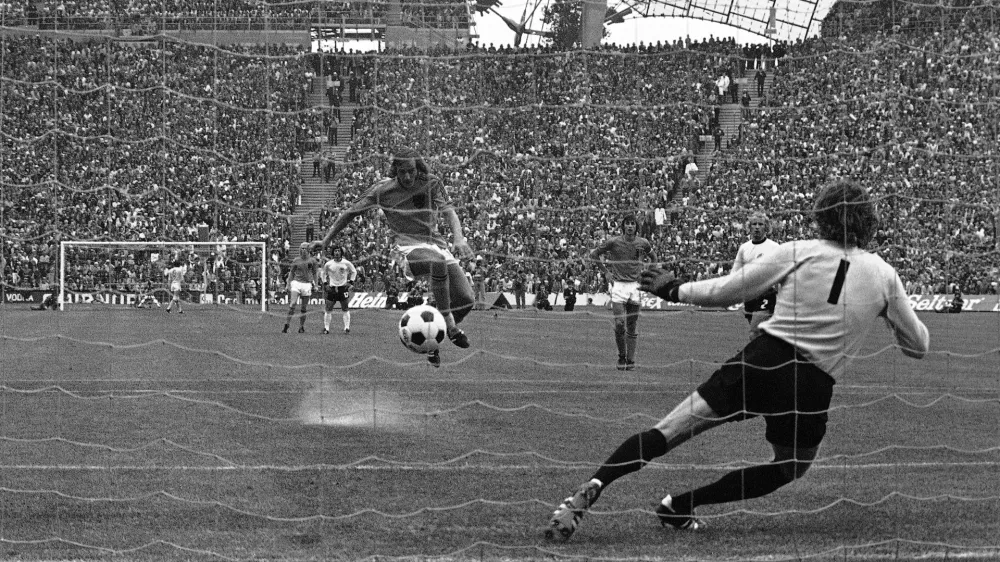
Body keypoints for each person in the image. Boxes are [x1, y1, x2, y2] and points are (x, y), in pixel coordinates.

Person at [545, 180, 929, 542]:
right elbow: (919, 346)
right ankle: (680, 505)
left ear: (821, 215)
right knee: (789, 467)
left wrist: (674, 288)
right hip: (811, 385)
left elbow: (729, 290)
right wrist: (887, 317)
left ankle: (592, 487)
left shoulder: (798, 250)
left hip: (763, 359)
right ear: (869, 222)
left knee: (669, 430)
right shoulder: (884, 275)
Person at [314, 148, 475, 367]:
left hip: (437, 245)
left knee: (466, 300)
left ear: (418, 167)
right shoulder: (383, 190)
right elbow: (351, 213)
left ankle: (432, 340)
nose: (407, 177)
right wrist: (325, 241)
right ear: (395, 171)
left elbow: (449, 212)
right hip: (406, 248)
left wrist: (459, 238)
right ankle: (452, 328)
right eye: (402, 172)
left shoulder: (431, 182)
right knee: (437, 265)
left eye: (411, 171)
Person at [590, 215, 655, 371]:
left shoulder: (643, 243)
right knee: (620, 323)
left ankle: (630, 361)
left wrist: (648, 274)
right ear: (623, 226)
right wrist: (606, 272)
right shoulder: (614, 242)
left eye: (633, 223)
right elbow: (594, 254)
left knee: (632, 325)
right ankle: (621, 357)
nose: (630, 226)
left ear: (636, 227)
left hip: (635, 287)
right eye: (627, 223)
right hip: (618, 286)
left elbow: (653, 257)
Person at [732, 212, 781, 340]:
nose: (757, 227)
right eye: (754, 224)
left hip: (766, 294)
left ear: (766, 227)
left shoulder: (774, 247)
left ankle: (755, 359)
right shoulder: (744, 248)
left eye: (760, 224)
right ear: (749, 227)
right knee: (762, 336)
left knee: (755, 332)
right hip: (749, 296)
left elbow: (782, 271)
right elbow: (735, 273)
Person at [282, 242, 319, 333]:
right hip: (296, 283)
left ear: (308, 249)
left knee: (304, 308)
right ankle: (287, 324)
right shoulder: (296, 260)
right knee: (293, 304)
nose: (303, 250)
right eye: (301, 248)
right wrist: (288, 285)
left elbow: (315, 273)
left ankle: (301, 327)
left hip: (307, 284)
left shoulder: (313, 261)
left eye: (304, 248)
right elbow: (291, 273)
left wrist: (316, 285)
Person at [320, 245, 357, 334]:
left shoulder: (346, 263)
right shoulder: (328, 264)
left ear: (341, 252)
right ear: (333, 253)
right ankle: (326, 328)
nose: (337, 253)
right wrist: (325, 284)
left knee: (345, 308)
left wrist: (350, 282)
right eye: (335, 251)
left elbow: (354, 272)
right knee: (328, 308)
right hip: (332, 288)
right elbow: (323, 274)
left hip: (343, 288)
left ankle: (347, 328)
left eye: (338, 251)